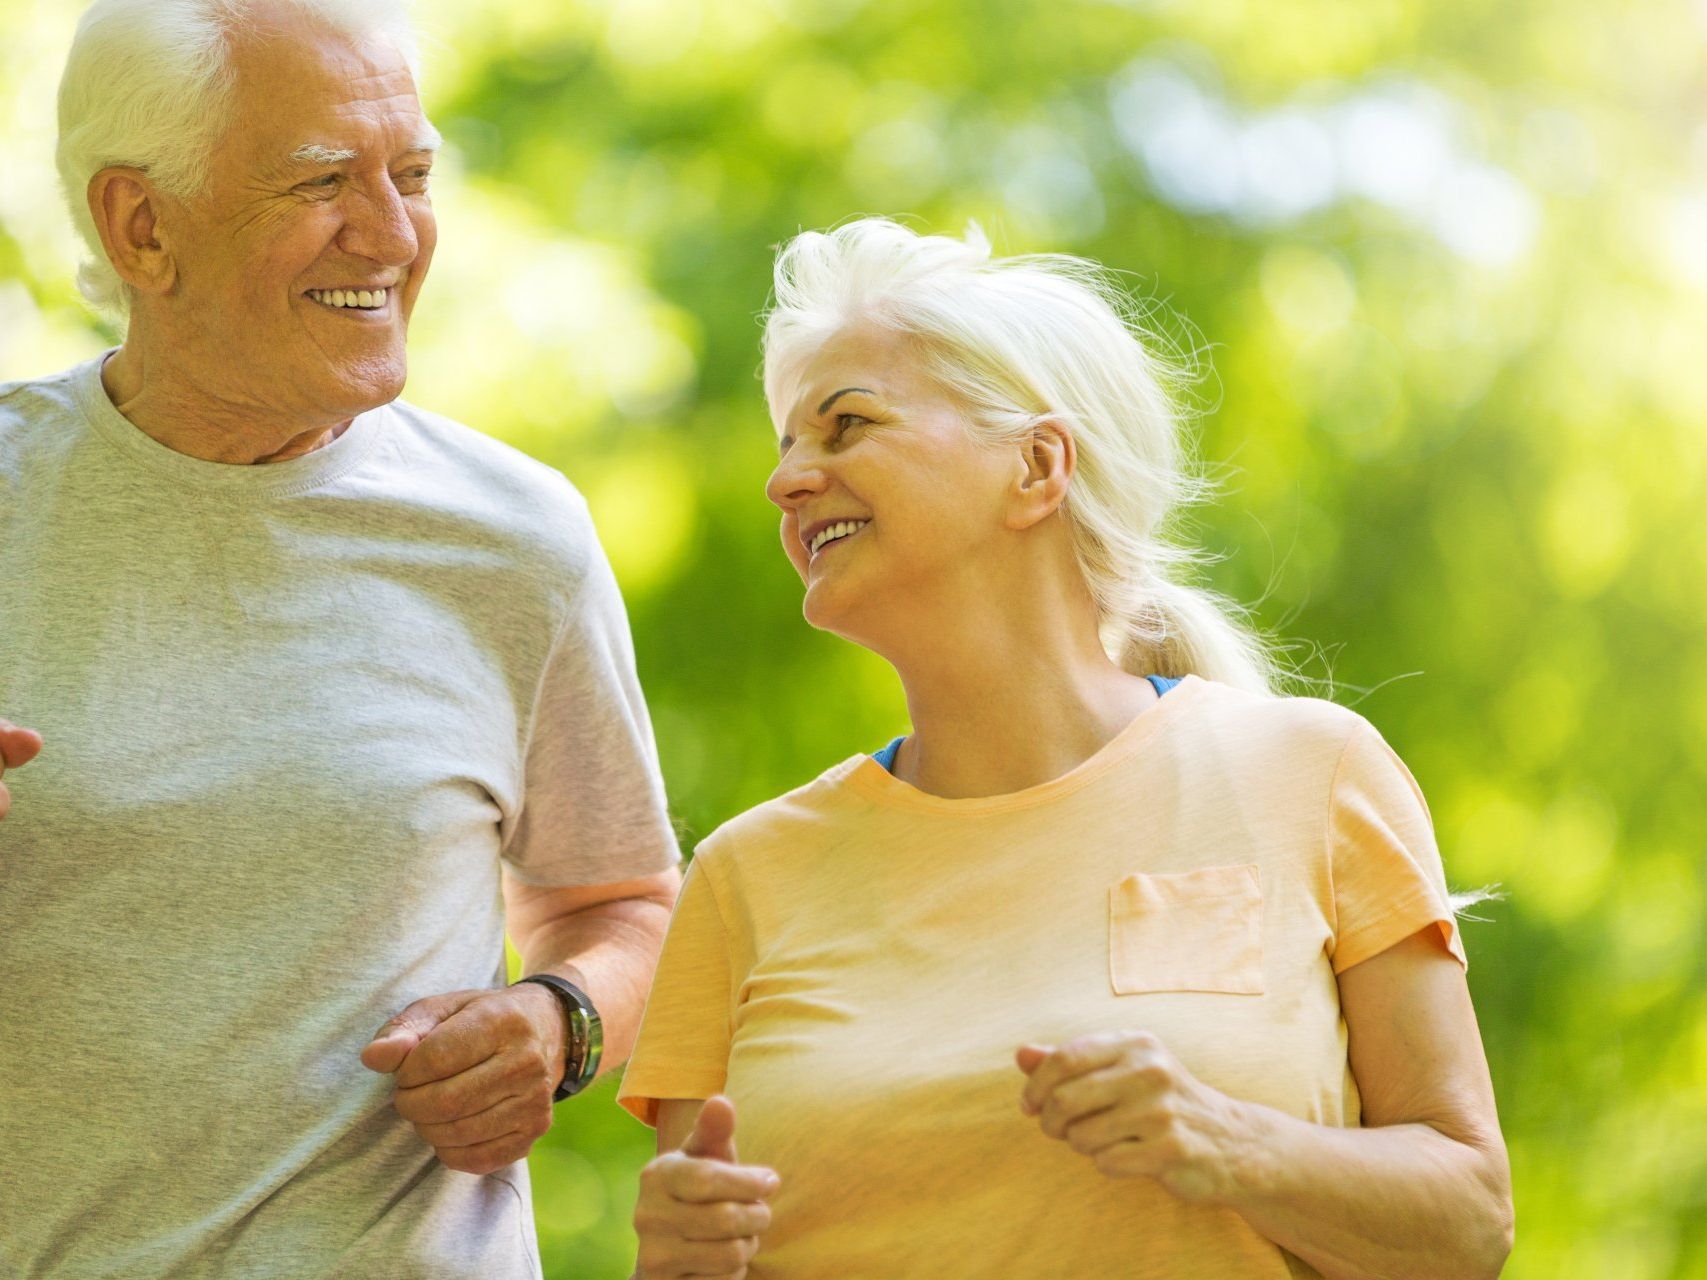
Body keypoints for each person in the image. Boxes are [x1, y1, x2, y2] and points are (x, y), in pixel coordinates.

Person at [617, 219, 1514, 1279]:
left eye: (844, 424)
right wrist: (673, 1264)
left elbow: (1466, 1227)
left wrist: (1230, 1142)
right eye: (786, 447)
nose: (788, 481)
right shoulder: (741, 877)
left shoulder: (1310, 773)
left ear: (1037, 465)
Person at [0, 2, 681, 1275]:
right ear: (139, 225)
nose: (395, 233)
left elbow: (626, 899)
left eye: (413, 176)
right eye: (323, 182)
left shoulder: (516, 536)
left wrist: (559, 1021)